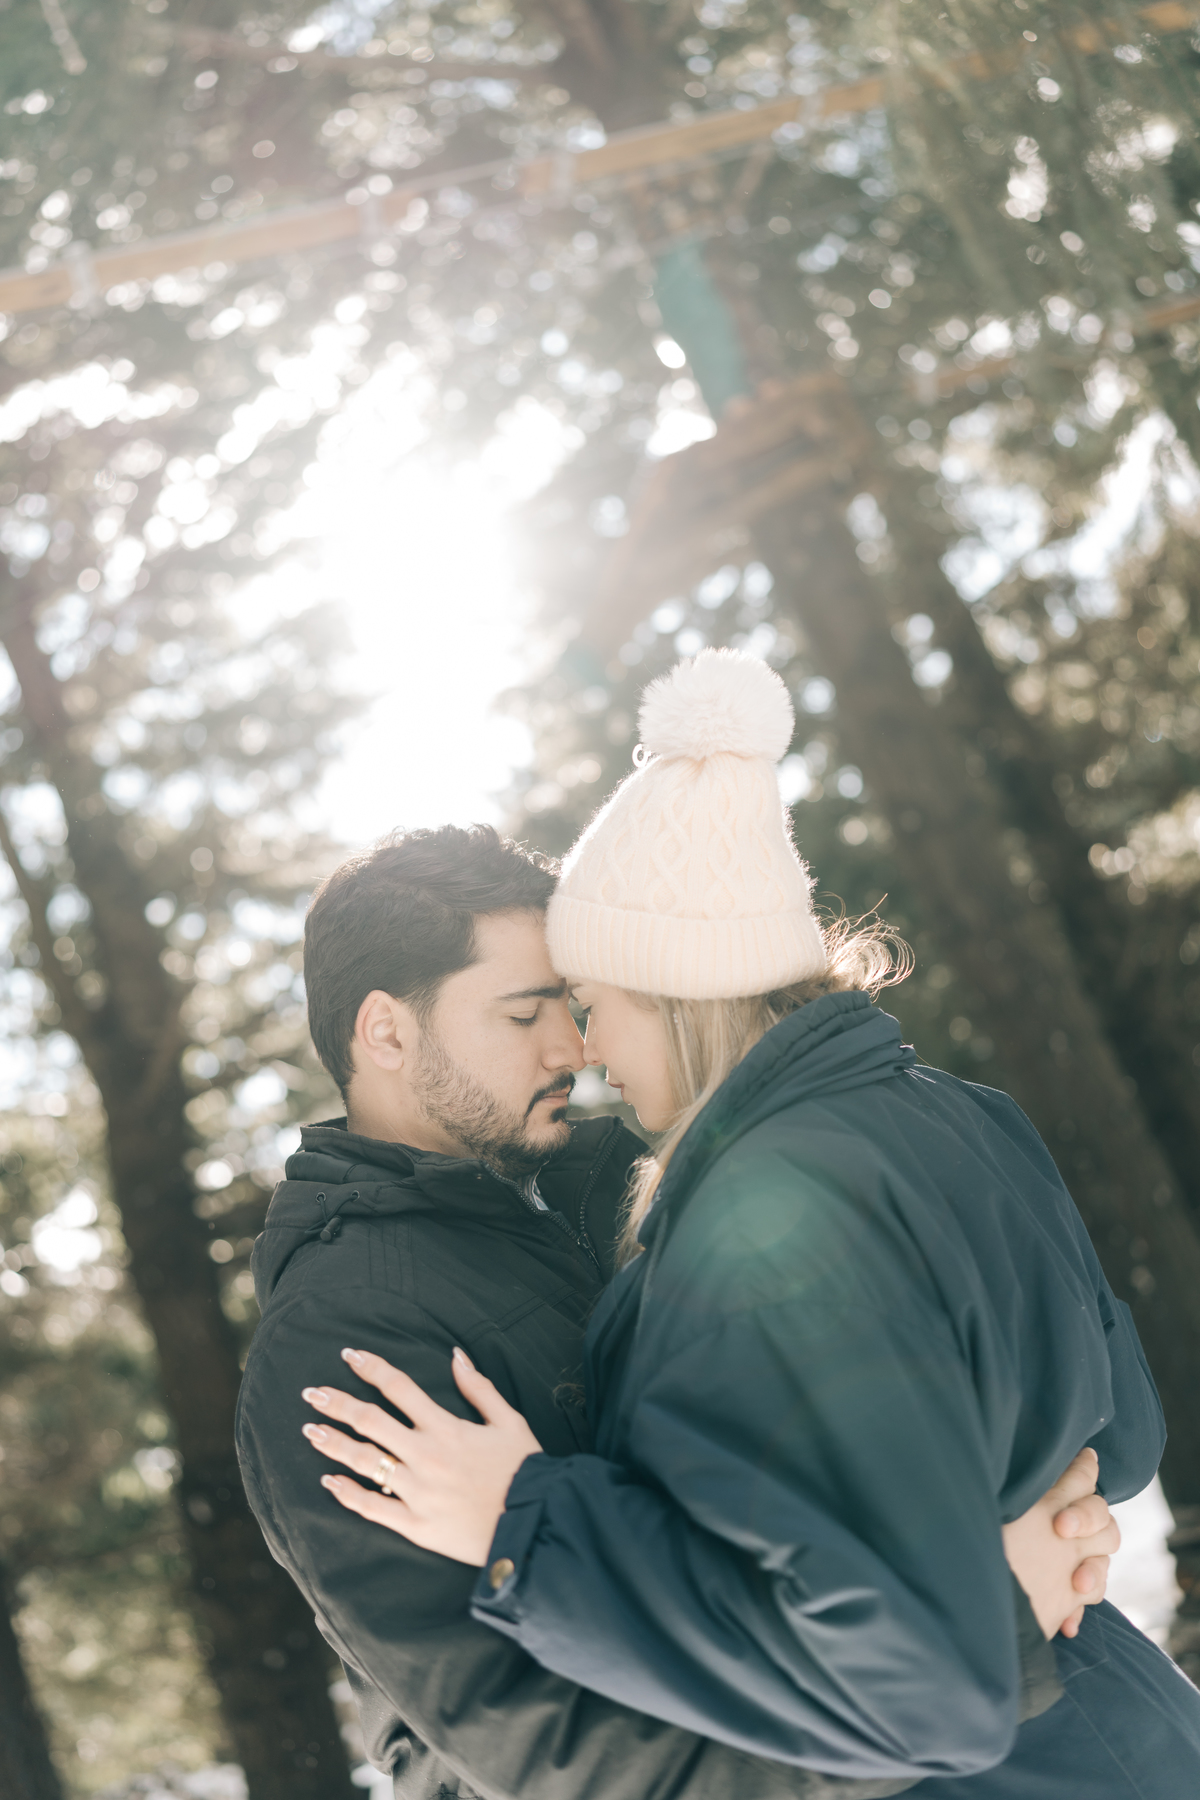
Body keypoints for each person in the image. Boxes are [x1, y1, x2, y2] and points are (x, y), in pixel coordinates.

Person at [305, 651, 1200, 1799]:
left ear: (674, 993)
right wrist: (993, 1548)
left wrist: (528, 1519)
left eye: (592, 1006)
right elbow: (1115, 1446)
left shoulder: (766, 1217)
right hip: (1132, 1732)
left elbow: (924, 1684)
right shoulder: (960, 1116)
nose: (586, 1052)